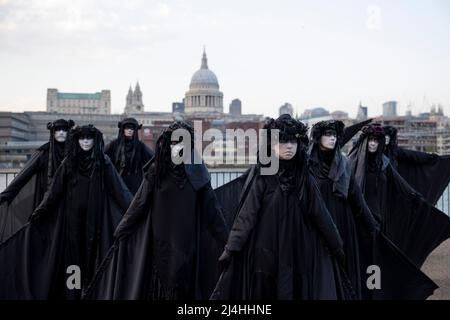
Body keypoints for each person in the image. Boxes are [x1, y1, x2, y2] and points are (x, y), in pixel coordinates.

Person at [211, 114, 352, 300]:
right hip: (267, 249)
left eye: (293, 142)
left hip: (298, 248)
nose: (289, 147)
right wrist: (231, 249)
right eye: (283, 141)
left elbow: (320, 213)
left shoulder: (304, 177)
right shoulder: (263, 175)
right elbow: (247, 214)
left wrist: (337, 246)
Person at [83, 121, 229, 300]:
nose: (178, 147)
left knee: (182, 284)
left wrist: (228, 243)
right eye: (174, 142)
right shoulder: (157, 170)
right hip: (160, 242)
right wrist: (122, 229)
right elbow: (140, 202)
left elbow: (212, 211)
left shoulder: (198, 172)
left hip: (186, 243)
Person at [0, 125, 133, 299]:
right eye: (82, 138)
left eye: (89, 138)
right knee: (74, 258)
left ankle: (92, 292)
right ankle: (74, 294)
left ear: (95, 140)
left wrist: (134, 212)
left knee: (95, 256)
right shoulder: (69, 162)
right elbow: (54, 192)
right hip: (72, 222)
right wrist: (40, 211)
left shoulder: (103, 162)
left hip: (97, 221)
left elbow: (119, 190)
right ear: (76, 140)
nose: (85, 141)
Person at [309, 120, 437, 299]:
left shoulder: (346, 164)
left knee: (350, 266)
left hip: (347, 221)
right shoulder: (309, 166)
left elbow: (357, 198)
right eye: (327, 135)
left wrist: (371, 225)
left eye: (334, 135)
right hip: (316, 227)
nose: (332, 138)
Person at [349, 123, 450, 268]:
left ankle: (376, 282)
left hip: (382, 209)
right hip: (359, 212)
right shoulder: (353, 161)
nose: (373, 144)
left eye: (376, 140)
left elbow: (400, 178)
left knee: (377, 249)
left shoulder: (384, 161)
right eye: (370, 140)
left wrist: (416, 197)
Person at [0, 119, 74, 242]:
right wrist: (5, 196)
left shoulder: (74, 152)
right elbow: (23, 176)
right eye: (57, 130)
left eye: (64, 130)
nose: (61, 133)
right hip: (45, 201)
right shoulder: (44, 153)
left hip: (69, 201)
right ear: (52, 132)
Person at [384, 125, 450, 205]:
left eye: (388, 137)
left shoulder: (394, 151)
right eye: (385, 136)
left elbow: (413, 156)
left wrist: (431, 157)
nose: (386, 139)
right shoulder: (376, 153)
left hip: (392, 190)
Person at [105, 117, 154, 195]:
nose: (130, 130)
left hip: (135, 183)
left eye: (132, 128)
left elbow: (152, 159)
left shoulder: (140, 146)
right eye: (127, 128)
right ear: (123, 129)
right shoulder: (114, 144)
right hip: (118, 181)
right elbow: (103, 157)